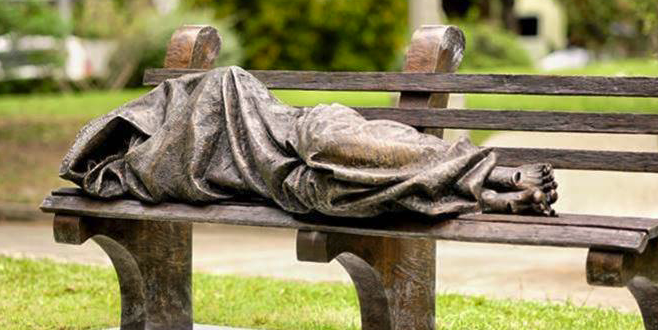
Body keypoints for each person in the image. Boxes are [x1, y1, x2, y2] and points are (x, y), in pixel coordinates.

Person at [61, 66, 557, 218]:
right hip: (281, 182)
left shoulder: (186, 98)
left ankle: (486, 172)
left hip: (300, 130)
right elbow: (94, 169)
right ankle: (484, 196)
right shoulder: (150, 172)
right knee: (334, 193)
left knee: (338, 150)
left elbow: (232, 85)